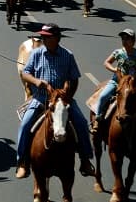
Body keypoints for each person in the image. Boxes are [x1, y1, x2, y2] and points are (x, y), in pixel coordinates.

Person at [16, 23, 95, 179]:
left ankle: (85, 160)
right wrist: (37, 81)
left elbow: (74, 79)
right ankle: (22, 162)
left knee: (81, 122)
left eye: (47, 37)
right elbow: (26, 73)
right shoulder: (36, 54)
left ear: (57, 38)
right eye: (43, 37)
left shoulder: (68, 55)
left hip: (62, 101)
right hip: (40, 98)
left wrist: (68, 96)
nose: (43, 40)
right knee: (25, 124)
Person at [91, 29, 136, 137]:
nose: (124, 41)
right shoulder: (118, 52)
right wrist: (114, 70)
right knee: (103, 96)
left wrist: (133, 80)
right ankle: (98, 119)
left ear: (133, 41)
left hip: (133, 83)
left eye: (127, 38)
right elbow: (106, 62)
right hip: (117, 81)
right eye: (123, 38)